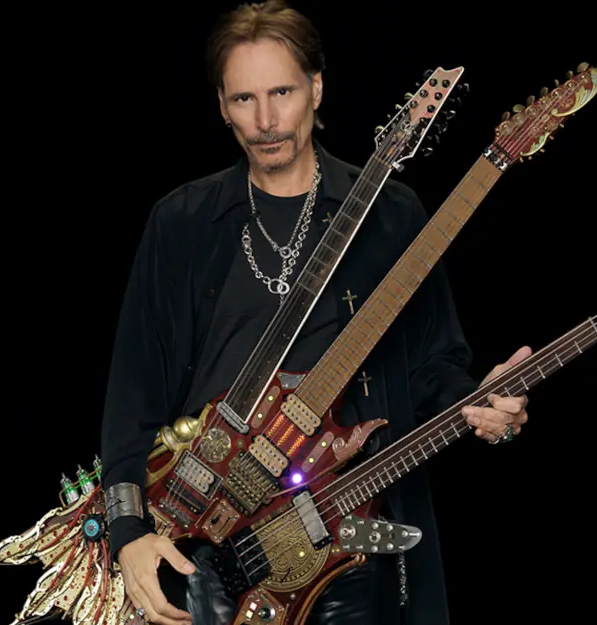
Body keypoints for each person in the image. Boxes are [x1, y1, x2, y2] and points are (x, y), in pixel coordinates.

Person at [99, 2, 530, 624]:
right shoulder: (182, 223)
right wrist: (127, 532)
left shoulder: (392, 213)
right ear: (221, 106)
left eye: (282, 92)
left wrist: (483, 405)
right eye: (244, 98)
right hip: (215, 544)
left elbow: (434, 364)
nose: (266, 120)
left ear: (316, 89)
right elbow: (132, 398)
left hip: (353, 533)